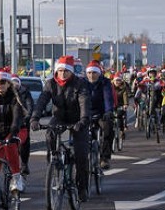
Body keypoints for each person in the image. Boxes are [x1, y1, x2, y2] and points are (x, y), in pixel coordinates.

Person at [30, 55, 91, 200]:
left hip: (77, 119)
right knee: (50, 134)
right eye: (60, 70)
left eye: (66, 71)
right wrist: (35, 118)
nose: (62, 74)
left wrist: (83, 120)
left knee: (81, 155)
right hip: (59, 117)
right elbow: (42, 102)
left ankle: (82, 188)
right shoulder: (50, 84)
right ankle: (53, 160)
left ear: (71, 72)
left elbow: (84, 103)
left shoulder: (79, 84)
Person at [83, 60, 115, 169]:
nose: (92, 75)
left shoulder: (105, 83)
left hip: (101, 113)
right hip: (86, 113)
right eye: (89, 73)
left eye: (94, 73)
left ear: (99, 73)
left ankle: (104, 158)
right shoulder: (82, 83)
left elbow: (108, 98)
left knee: (108, 128)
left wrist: (108, 111)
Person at [10, 73, 35, 175]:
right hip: (10, 122)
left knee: (24, 143)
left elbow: (30, 104)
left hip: (23, 121)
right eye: (12, 82)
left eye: (16, 82)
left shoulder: (25, 92)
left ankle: (24, 164)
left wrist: (28, 115)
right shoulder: (6, 93)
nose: (14, 84)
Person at [112, 73, 131, 142]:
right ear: (113, 81)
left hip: (120, 105)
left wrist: (125, 104)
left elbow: (125, 96)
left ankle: (121, 131)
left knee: (119, 116)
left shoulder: (123, 88)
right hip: (112, 105)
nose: (117, 82)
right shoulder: (110, 87)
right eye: (116, 80)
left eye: (119, 80)